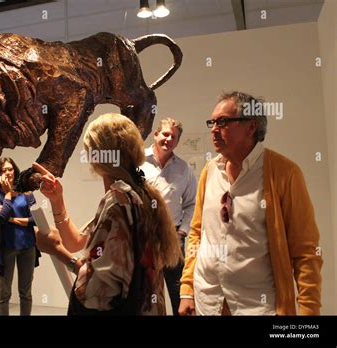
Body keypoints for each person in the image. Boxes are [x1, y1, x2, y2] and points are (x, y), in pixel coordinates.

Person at [179, 91, 323, 316]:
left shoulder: (284, 173)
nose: (214, 129)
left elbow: (305, 251)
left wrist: (309, 312)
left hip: (258, 307)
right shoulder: (209, 171)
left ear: (251, 126)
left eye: (223, 122)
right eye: (212, 122)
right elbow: (197, 232)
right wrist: (187, 289)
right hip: (208, 301)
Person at [34, 113, 181, 315]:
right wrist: (57, 200)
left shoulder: (117, 202)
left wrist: (57, 251)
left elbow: (98, 290)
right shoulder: (140, 194)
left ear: (98, 157)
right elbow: (77, 241)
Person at [140, 118, 197, 315]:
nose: (168, 139)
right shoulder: (137, 160)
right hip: (142, 236)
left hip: (173, 236)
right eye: (165, 134)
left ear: (177, 142)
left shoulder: (184, 169)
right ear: (155, 135)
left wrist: (182, 232)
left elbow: (192, 203)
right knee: (144, 291)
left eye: (174, 137)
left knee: (176, 290)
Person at [0, 157, 37, 316]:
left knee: (26, 292)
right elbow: (1, 218)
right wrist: (8, 193)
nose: (7, 172)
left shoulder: (26, 193)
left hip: (27, 247)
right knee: (4, 294)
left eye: (10, 169)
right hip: (5, 249)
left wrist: (11, 219)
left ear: (15, 170)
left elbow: (35, 220)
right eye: (3, 170)